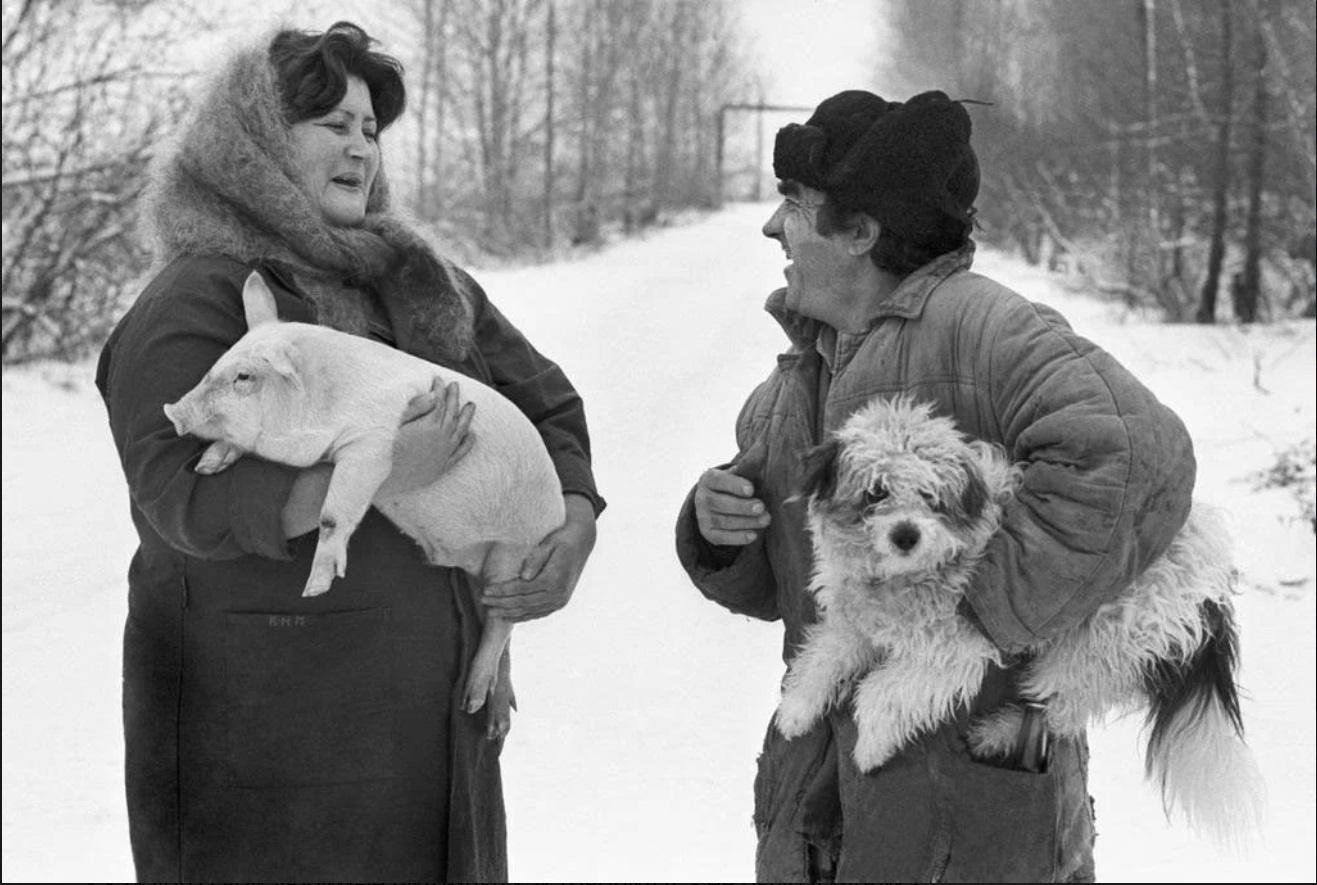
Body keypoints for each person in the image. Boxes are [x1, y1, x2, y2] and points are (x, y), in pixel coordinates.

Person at [95, 21, 603, 883]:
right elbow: (177, 494)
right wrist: (369, 477)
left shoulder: (408, 275)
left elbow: (543, 401)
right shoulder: (198, 298)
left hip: (429, 721)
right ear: (250, 140)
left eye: (369, 129)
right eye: (330, 123)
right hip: (265, 743)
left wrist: (574, 528)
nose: (360, 148)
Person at [674, 89, 1197, 883]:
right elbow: (807, 579)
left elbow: (1134, 459)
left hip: (967, 806)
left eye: (794, 204)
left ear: (860, 232)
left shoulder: (983, 327)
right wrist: (718, 527)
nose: (772, 226)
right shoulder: (801, 372)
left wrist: (974, 615)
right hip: (821, 797)